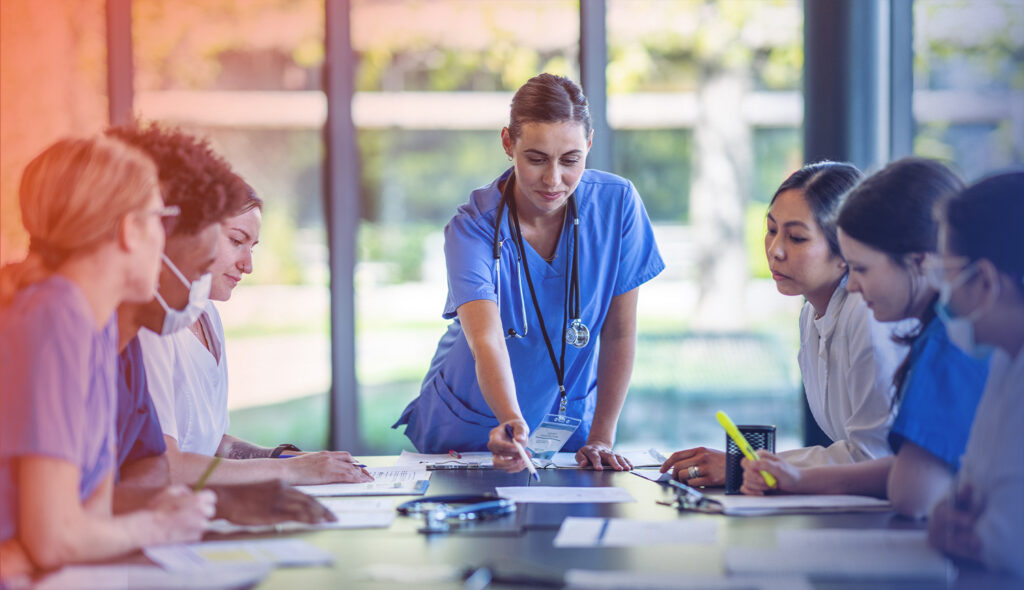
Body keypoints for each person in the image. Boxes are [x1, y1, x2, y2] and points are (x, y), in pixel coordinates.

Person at [393, 73, 664, 471]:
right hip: (472, 421)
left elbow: (620, 331)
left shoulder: (618, 205)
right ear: (508, 143)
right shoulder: (472, 229)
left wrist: (603, 436)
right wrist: (509, 418)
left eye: (571, 160)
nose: (553, 180)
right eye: (536, 159)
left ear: (589, 144)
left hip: (568, 422)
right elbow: (486, 339)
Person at [0, 136, 214, 581]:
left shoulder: (97, 331)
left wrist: (145, 517)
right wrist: (155, 526)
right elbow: (55, 538)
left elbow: (84, 519)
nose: (164, 238)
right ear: (129, 229)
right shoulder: (54, 317)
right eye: (161, 219)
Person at [110, 122, 370, 488]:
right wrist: (289, 472)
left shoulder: (205, 315)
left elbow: (210, 442)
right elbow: (164, 463)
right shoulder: (151, 325)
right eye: (236, 241)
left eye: (253, 247)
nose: (247, 265)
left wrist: (285, 457)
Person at [741, 158, 987, 520]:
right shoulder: (936, 337)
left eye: (861, 268)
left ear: (921, 262)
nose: (852, 285)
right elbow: (908, 466)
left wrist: (796, 476)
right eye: (772, 230)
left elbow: (911, 490)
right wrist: (794, 478)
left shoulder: (945, 345)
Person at [663, 161, 908, 486]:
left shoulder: (866, 313)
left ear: (845, 249)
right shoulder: (811, 313)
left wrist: (742, 465)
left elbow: (871, 455)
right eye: (771, 229)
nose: (775, 250)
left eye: (796, 237)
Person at [928, 171, 1024, 576]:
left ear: (984, 280)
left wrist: (966, 529)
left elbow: (1006, 543)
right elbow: (963, 496)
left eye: (947, 277)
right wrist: (948, 519)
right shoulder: (1006, 359)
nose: (943, 295)